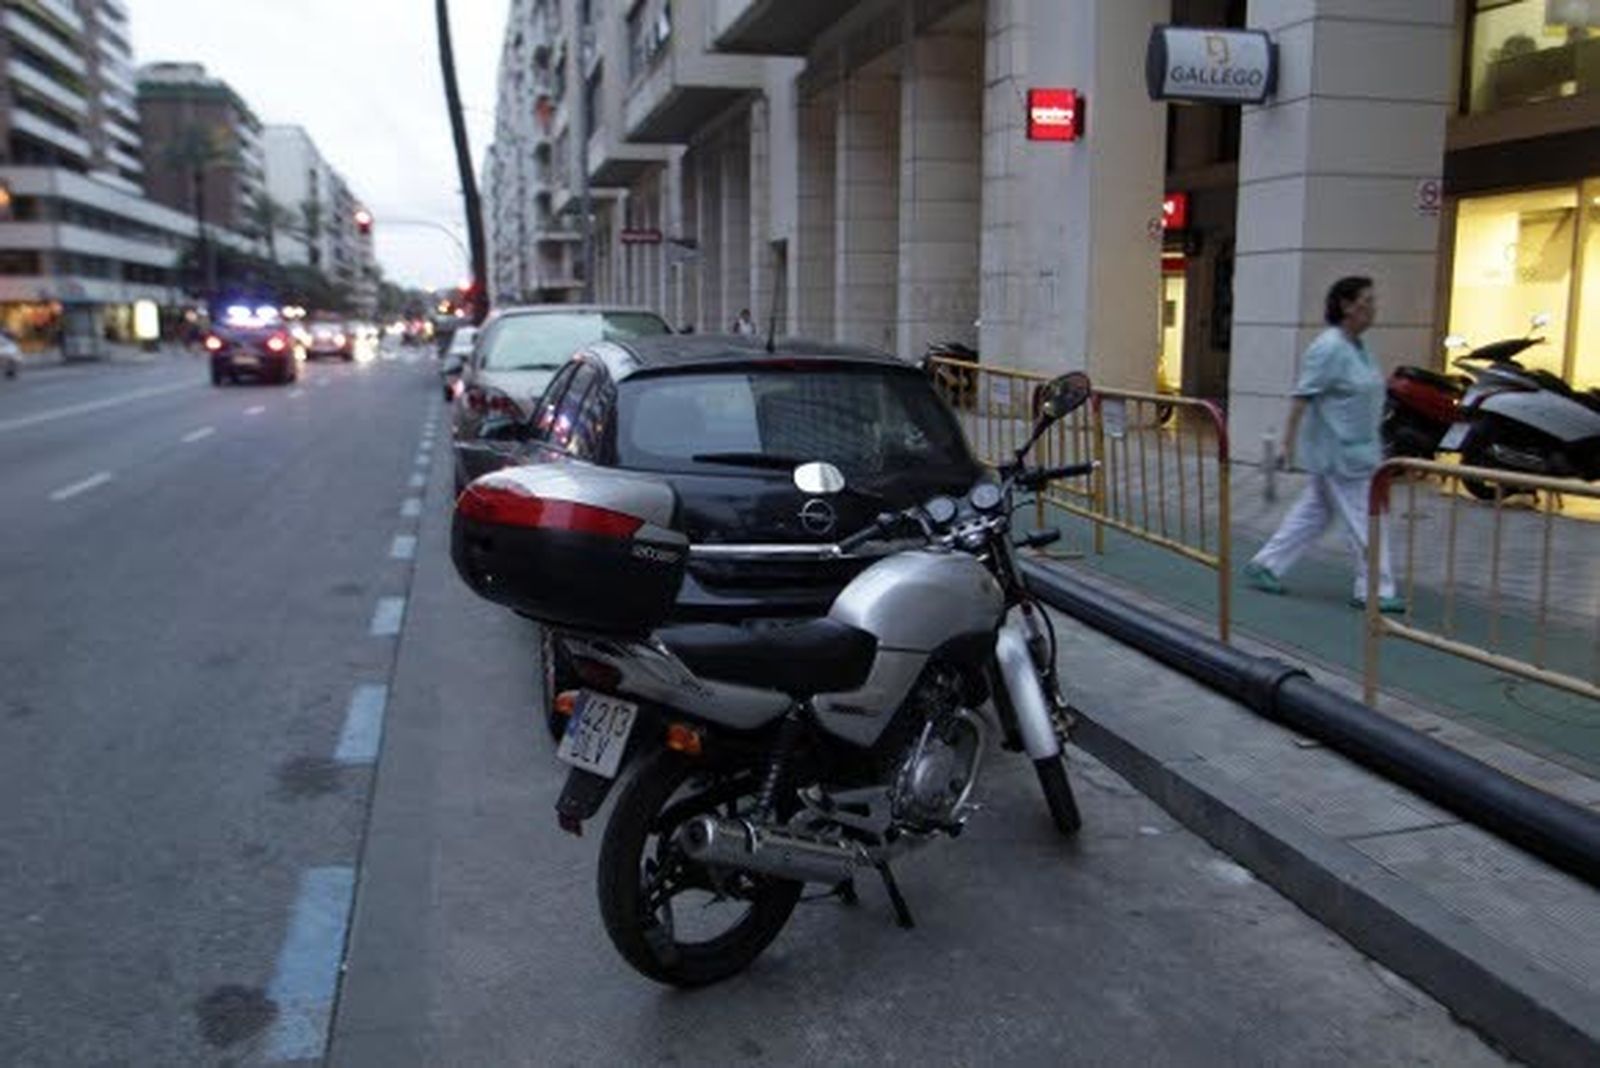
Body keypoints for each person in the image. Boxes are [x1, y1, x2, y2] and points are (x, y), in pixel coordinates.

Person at [1244, 275, 1403, 613]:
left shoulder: (1359, 348)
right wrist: (1287, 445)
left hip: (1358, 450)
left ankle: (1267, 564)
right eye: (1367, 302)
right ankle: (1375, 588)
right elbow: (1303, 397)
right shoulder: (1329, 347)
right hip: (1340, 454)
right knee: (1366, 520)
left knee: (1315, 513)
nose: (1374, 309)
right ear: (1346, 306)